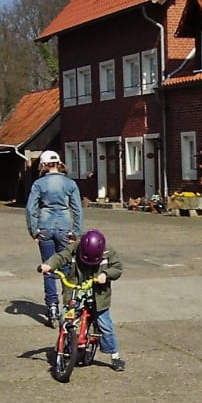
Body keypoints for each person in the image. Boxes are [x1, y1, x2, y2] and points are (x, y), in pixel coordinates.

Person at [39, 229, 125, 372]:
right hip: (76, 289)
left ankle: (114, 355)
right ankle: (65, 345)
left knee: (105, 325)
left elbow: (118, 267)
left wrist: (106, 274)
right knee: (64, 317)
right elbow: (62, 256)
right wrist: (49, 265)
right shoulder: (75, 247)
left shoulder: (108, 251)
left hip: (98, 294)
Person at [25, 150, 84, 325]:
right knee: (66, 267)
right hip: (65, 226)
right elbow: (77, 209)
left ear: (43, 164)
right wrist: (76, 232)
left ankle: (51, 306)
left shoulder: (39, 184)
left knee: (48, 267)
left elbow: (30, 209)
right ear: (59, 163)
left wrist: (33, 230)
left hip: (45, 226)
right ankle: (69, 306)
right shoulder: (70, 183)